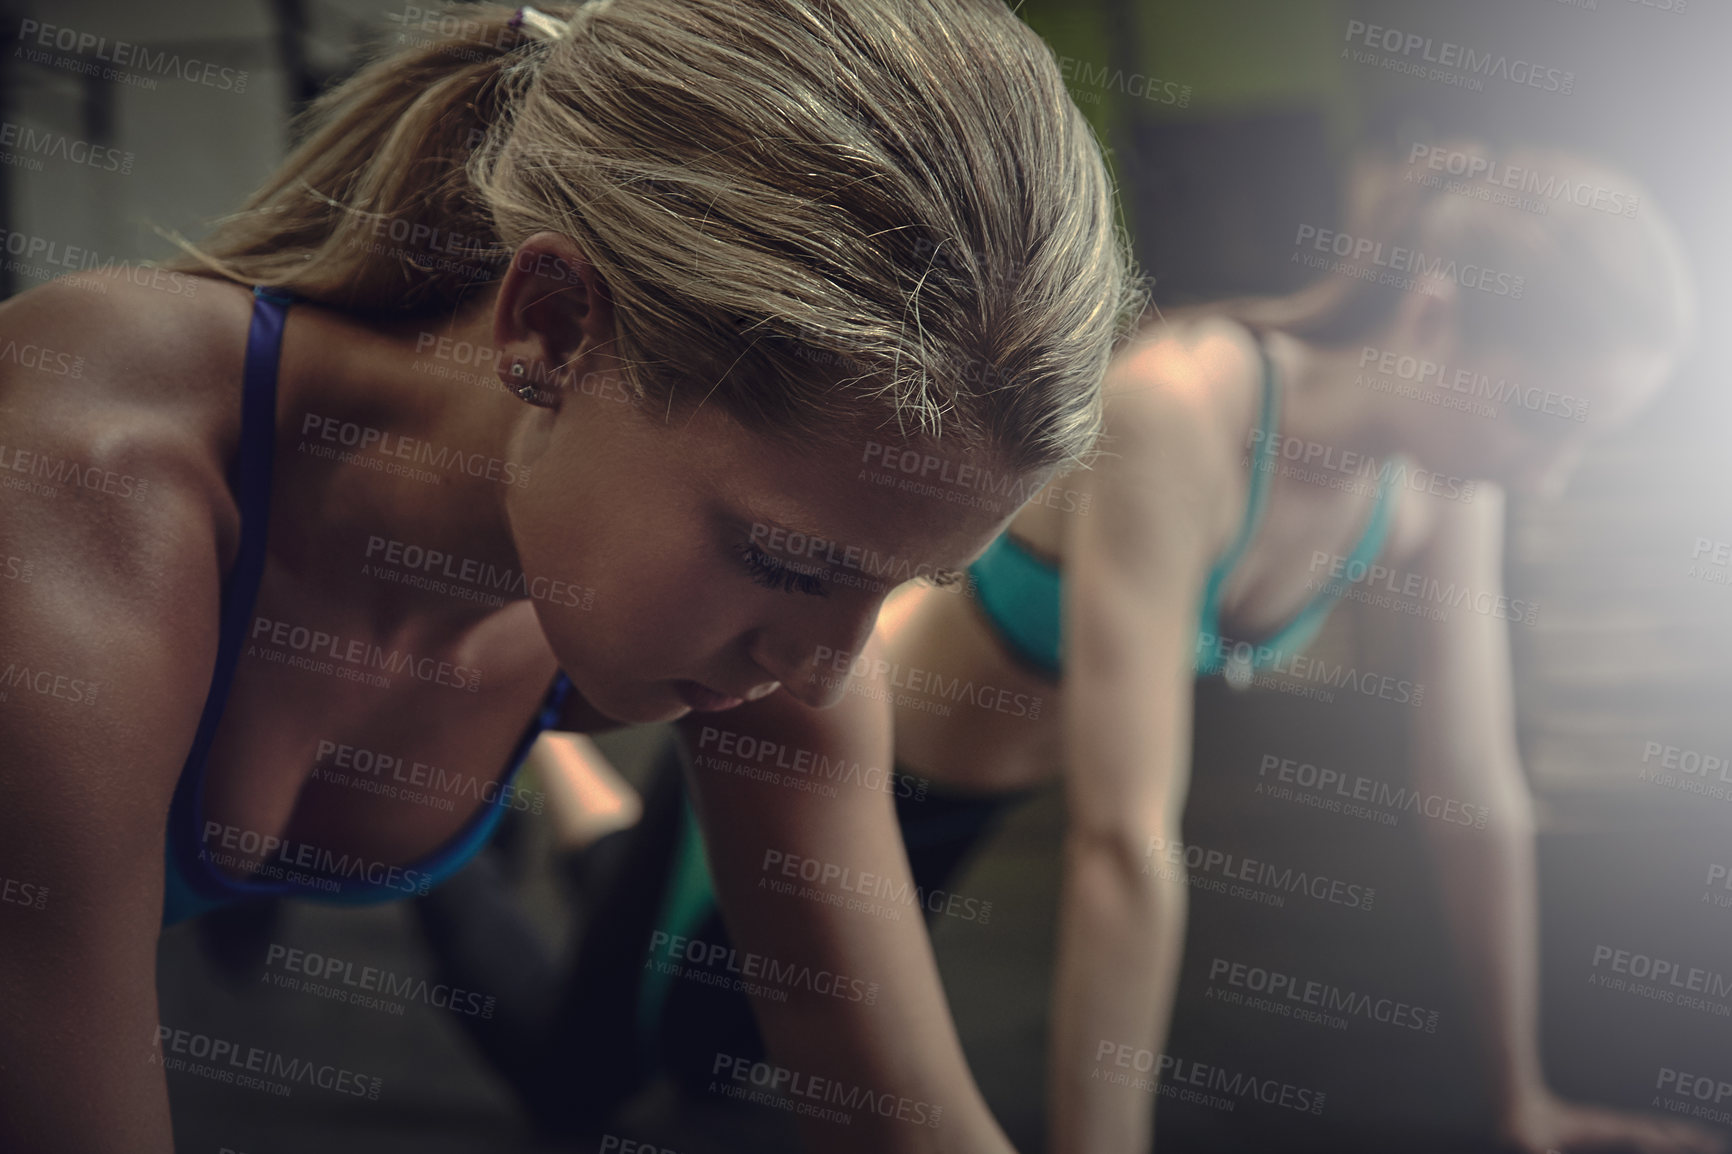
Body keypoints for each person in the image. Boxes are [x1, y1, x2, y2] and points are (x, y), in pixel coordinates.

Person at [0, 1, 1141, 1151]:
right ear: (551, 325)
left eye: (909, 585)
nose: (828, 666)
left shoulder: (783, 629)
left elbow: (905, 1117)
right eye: (787, 560)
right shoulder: (89, 470)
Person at [496, 144, 1715, 1154]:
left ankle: (572, 785)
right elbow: (1123, 838)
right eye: (1541, 419)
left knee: (724, 1059)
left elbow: (1475, 794)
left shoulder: (1447, 485)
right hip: (818, 756)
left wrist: (1521, 1103)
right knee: (587, 1083)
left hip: (964, 809)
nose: (1546, 471)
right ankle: (478, 808)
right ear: (1435, 316)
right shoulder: (1179, 412)